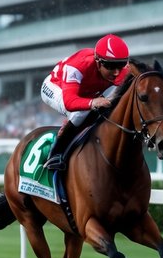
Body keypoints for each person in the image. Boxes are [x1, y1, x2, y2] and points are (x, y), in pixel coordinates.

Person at [40, 34, 130, 171]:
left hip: (87, 91)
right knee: (80, 112)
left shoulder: (123, 71)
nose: (117, 72)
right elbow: (69, 102)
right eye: (111, 66)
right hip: (55, 87)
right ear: (99, 62)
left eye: (121, 65)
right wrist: (93, 102)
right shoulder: (78, 66)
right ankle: (56, 153)